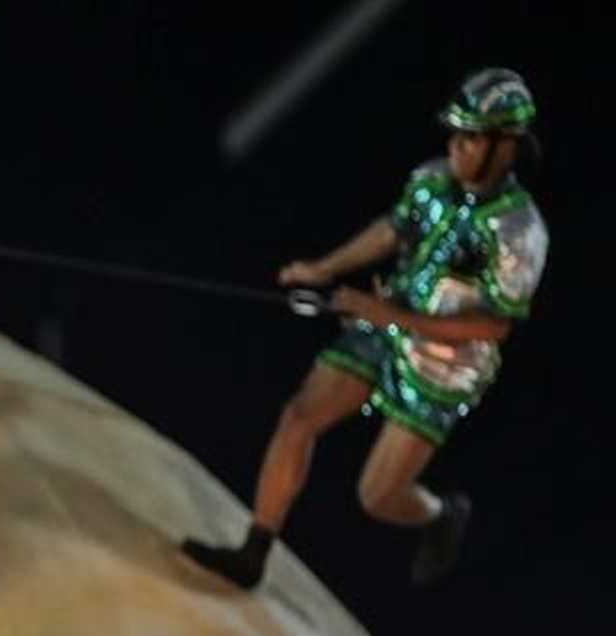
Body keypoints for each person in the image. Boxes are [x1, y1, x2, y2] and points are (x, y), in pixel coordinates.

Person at [181, 67, 548, 589]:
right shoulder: (431, 178)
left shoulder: (519, 230)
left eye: (470, 138)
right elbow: (391, 229)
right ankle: (253, 553)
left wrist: (390, 316)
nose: (456, 147)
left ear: (506, 145)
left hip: (441, 368)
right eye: (455, 134)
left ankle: (441, 513)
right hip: (384, 324)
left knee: (377, 496)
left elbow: (493, 326)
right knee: (298, 417)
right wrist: (325, 268)